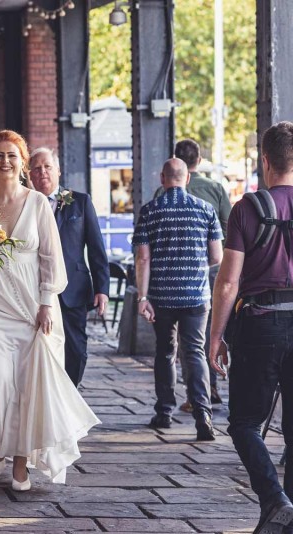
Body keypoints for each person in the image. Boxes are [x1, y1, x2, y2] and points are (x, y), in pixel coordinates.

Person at [0, 130, 99, 491]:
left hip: (32, 306)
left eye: (12, 155)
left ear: (22, 162)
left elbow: (51, 258)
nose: (5, 161)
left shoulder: (39, 203)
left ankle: (21, 463)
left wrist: (46, 302)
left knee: (29, 386)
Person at [209, 121, 293, 534]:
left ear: (265, 160)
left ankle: (276, 501)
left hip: (261, 324)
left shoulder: (248, 208)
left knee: (244, 422)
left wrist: (215, 336)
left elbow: (227, 282)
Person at [134, 157, 222, 441]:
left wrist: (143, 296)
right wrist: (194, 267)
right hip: (196, 296)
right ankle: (203, 415)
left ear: (163, 178)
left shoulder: (150, 211)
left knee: (166, 352)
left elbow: (143, 258)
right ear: (186, 178)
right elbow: (217, 257)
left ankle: (164, 412)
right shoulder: (205, 209)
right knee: (195, 352)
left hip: (162, 297)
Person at [154, 139, 232, 408]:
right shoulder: (215, 189)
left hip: (166, 282)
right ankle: (207, 392)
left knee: (168, 349)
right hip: (206, 275)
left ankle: (170, 406)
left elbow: (148, 246)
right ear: (197, 162)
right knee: (202, 341)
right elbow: (228, 230)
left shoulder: (159, 196)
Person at [29, 148, 109, 387]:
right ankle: (48, 395)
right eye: (36, 168)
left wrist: (102, 288)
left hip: (73, 288)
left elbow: (96, 247)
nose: (42, 172)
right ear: (30, 175)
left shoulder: (80, 202)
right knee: (42, 347)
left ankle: (70, 392)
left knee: (76, 349)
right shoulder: (25, 205)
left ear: (58, 171)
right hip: (35, 288)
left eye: (47, 167)